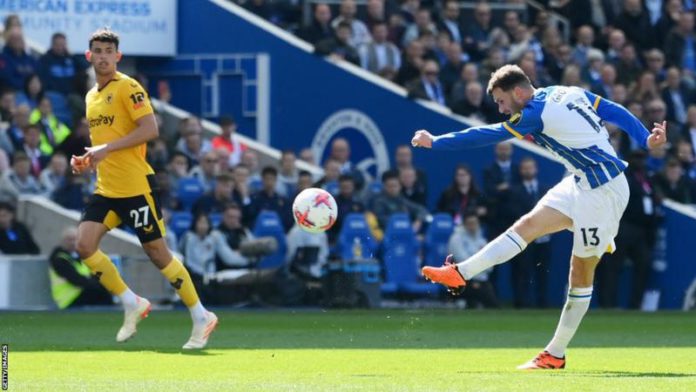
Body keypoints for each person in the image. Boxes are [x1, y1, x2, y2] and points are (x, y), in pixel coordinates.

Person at [413, 64, 666, 369]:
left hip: (603, 191)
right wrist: (644, 139)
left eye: (501, 101)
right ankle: (461, 273)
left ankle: (555, 353)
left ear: (519, 92)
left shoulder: (535, 114)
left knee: (581, 270)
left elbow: (488, 134)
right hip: (579, 181)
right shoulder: (564, 91)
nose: (501, 108)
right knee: (528, 225)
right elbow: (613, 110)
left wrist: (437, 140)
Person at [71, 29, 217, 349]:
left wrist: (106, 149)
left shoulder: (129, 87)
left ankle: (200, 314)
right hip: (107, 188)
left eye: (109, 50)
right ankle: (131, 302)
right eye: (98, 50)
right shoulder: (91, 96)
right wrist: (88, 160)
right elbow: (106, 146)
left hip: (136, 187)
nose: (104, 56)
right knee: (84, 245)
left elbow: (150, 129)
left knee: (157, 253)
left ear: (118, 56)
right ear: (89, 56)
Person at [48, 227, 113, 309]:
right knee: (100, 290)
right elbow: (77, 280)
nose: (73, 243)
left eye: (75, 239)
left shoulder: (79, 256)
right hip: (69, 299)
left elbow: (94, 274)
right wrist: (96, 280)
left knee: (103, 284)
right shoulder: (59, 259)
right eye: (69, 240)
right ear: (62, 242)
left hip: (81, 293)